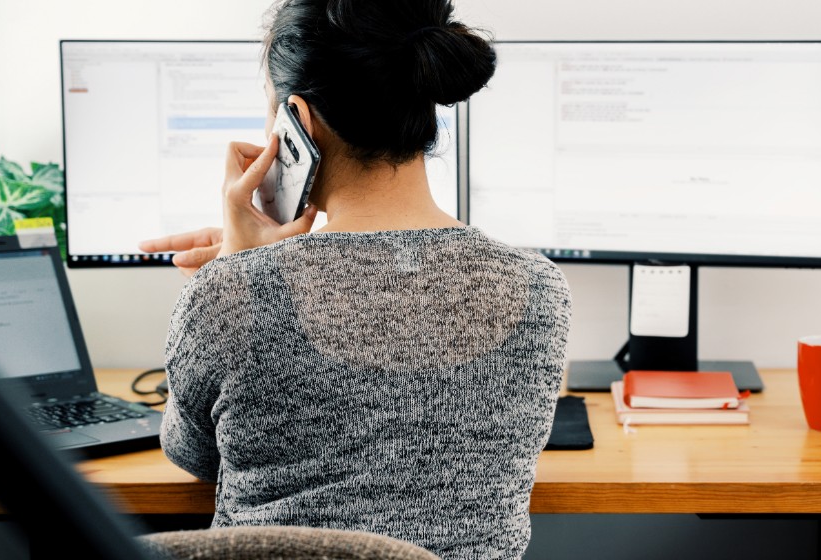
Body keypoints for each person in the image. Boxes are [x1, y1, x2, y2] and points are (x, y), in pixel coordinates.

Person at [139, 0, 572, 558]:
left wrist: (236, 271)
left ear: (299, 120)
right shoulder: (540, 289)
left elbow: (190, 454)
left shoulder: (230, 291)